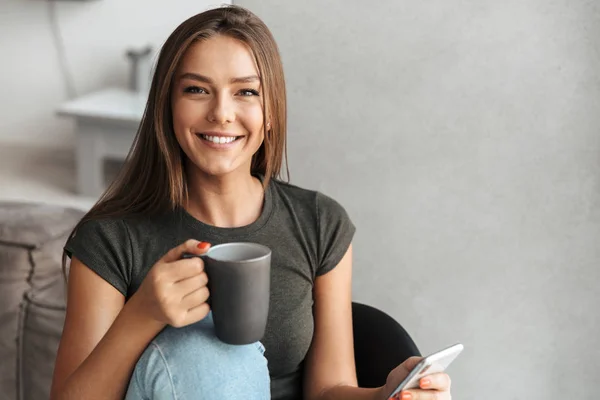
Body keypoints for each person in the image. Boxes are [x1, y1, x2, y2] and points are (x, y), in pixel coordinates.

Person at [49, 5, 453, 400]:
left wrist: (387, 393)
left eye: (246, 91)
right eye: (196, 90)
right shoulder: (110, 239)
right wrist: (143, 315)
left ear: (271, 111)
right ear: (167, 106)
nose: (221, 113)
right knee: (205, 349)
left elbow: (328, 390)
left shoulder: (319, 224)